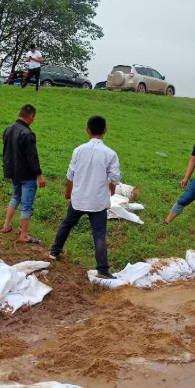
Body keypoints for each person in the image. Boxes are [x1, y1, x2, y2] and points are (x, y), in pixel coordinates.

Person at [49, 116, 120, 278]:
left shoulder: (78, 150)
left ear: (87, 130)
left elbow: (70, 174)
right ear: (105, 130)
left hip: (78, 198)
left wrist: (68, 192)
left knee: (67, 224)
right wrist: (112, 184)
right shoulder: (110, 154)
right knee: (99, 234)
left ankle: (55, 251)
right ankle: (102, 269)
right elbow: (115, 177)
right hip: (98, 202)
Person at [2, 104, 46, 243]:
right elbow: (33, 157)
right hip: (27, 175)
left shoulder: (8, 130)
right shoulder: (28, 134)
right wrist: (39, 175)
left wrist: (7, 172)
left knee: (15, 197)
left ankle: (6, 225)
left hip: (14, 173)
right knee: (26, 204)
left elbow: (6, 153)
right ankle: (24, 235)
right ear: (31, 116)